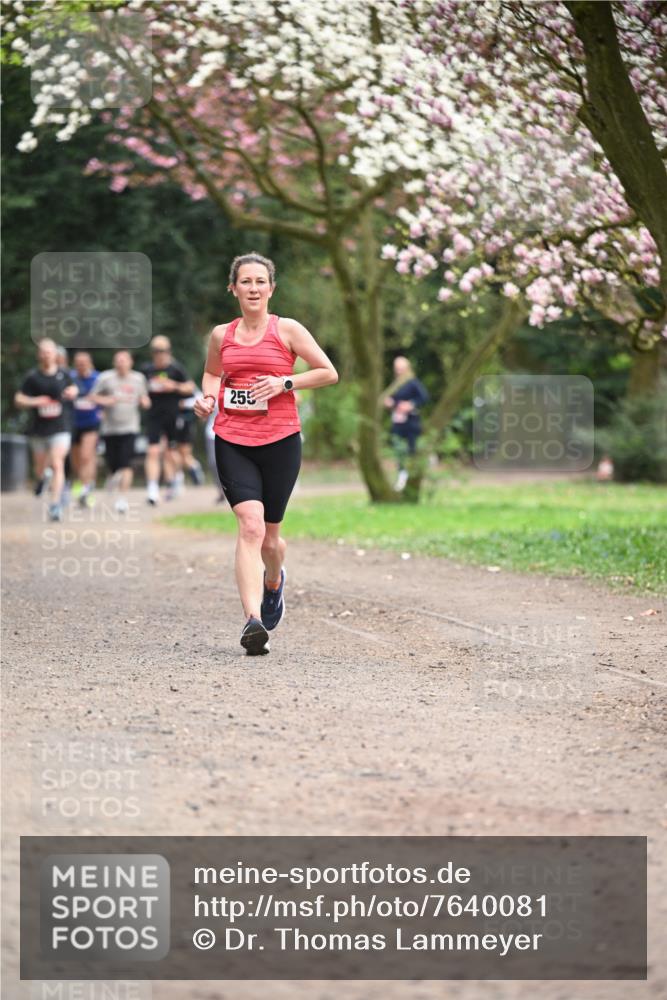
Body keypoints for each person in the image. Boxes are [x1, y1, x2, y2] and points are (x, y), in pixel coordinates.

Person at [194, 251, 338, 656]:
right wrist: (208, 397)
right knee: (250, 526)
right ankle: (253, 621)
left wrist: (285, 383)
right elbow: (212, 374)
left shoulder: (287, 330)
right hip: (233, 439)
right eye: (246, 282)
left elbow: (328, 371)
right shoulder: (223, 334)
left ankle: (274, 582)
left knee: (271, 540)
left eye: (261, 281)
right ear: (233, 288)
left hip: (280, 441)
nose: (253, 288)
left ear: (271, 288)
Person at [14, 338, 78, 521]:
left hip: (60, 427)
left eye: (49, 351)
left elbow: (74, 389)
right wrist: (35, 401)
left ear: (55, 354)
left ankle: (55, 504)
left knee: (58, 463)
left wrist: (73, 392)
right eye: (43, 351)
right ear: (39, 354)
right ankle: (43, 478)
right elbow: (19, 399)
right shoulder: (32, 377)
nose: (46, 355)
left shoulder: (64, 375)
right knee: (40, 468)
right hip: (39, 429)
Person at [91, 350, 151, 514]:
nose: (121, 363)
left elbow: (144, 397)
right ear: (114, 363)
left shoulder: (138, 379)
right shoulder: (105, 378)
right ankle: (113, 479)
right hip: (110, 429)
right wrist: (106, 400)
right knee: (113, 465)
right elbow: (93, 397)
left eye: (124, 360)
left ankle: (122, 499)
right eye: (118, 360)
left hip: (130, 427)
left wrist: (145, 402)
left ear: (130, 362)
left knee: (126, 464)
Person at [141, 336, 195, 505]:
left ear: (169, 352)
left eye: (163, 351)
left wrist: (175, 386)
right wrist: (142, 398)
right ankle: (152, 489)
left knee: (172, 453)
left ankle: (178, 477)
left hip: (173, 417)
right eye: (156, 351)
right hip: (153, 417)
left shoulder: (176, 369)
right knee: (153, 451)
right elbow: (139, 388)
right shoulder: (146, 370)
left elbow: (190, 387)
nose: (160, 354)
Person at [382, 355, 429, 491]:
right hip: (397, 421)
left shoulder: (412, 382)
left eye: (401, 368)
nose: (399, 371)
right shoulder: (396, 384)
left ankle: (412, 475)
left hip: (411, 421)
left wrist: (411, 404)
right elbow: (393, 400)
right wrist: (391, 403)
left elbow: (424, 397)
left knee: (412, 449)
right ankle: (402, 475)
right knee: (398, 449)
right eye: (397, 369)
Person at [70, 350, 101, 507]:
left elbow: (107, 395)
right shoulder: (70, 377)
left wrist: (102, 410)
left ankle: (87, 489)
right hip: (73, 423)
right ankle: (80, 484)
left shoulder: (98, 378)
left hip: (91, 422)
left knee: (86, 456)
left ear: (89, 363)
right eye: (78, 364)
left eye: (84, 363)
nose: (81, 366)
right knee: (76, 460)